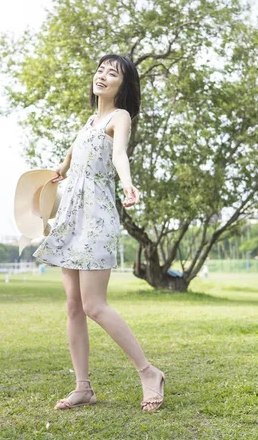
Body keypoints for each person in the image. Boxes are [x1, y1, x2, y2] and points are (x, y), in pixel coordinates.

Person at [32, 54, 165, 412]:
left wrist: (128, 184)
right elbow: (70, 157)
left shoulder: (119, 117)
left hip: (96, 218)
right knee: (74, 306)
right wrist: (57, 172)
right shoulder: (90, 121)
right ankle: (83, 388)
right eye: (101, 70)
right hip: (72, 219)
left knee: (94, 304)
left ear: (123, 86)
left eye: (113, 73)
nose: (103, 76)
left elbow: (120, 154)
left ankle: (149, 372)